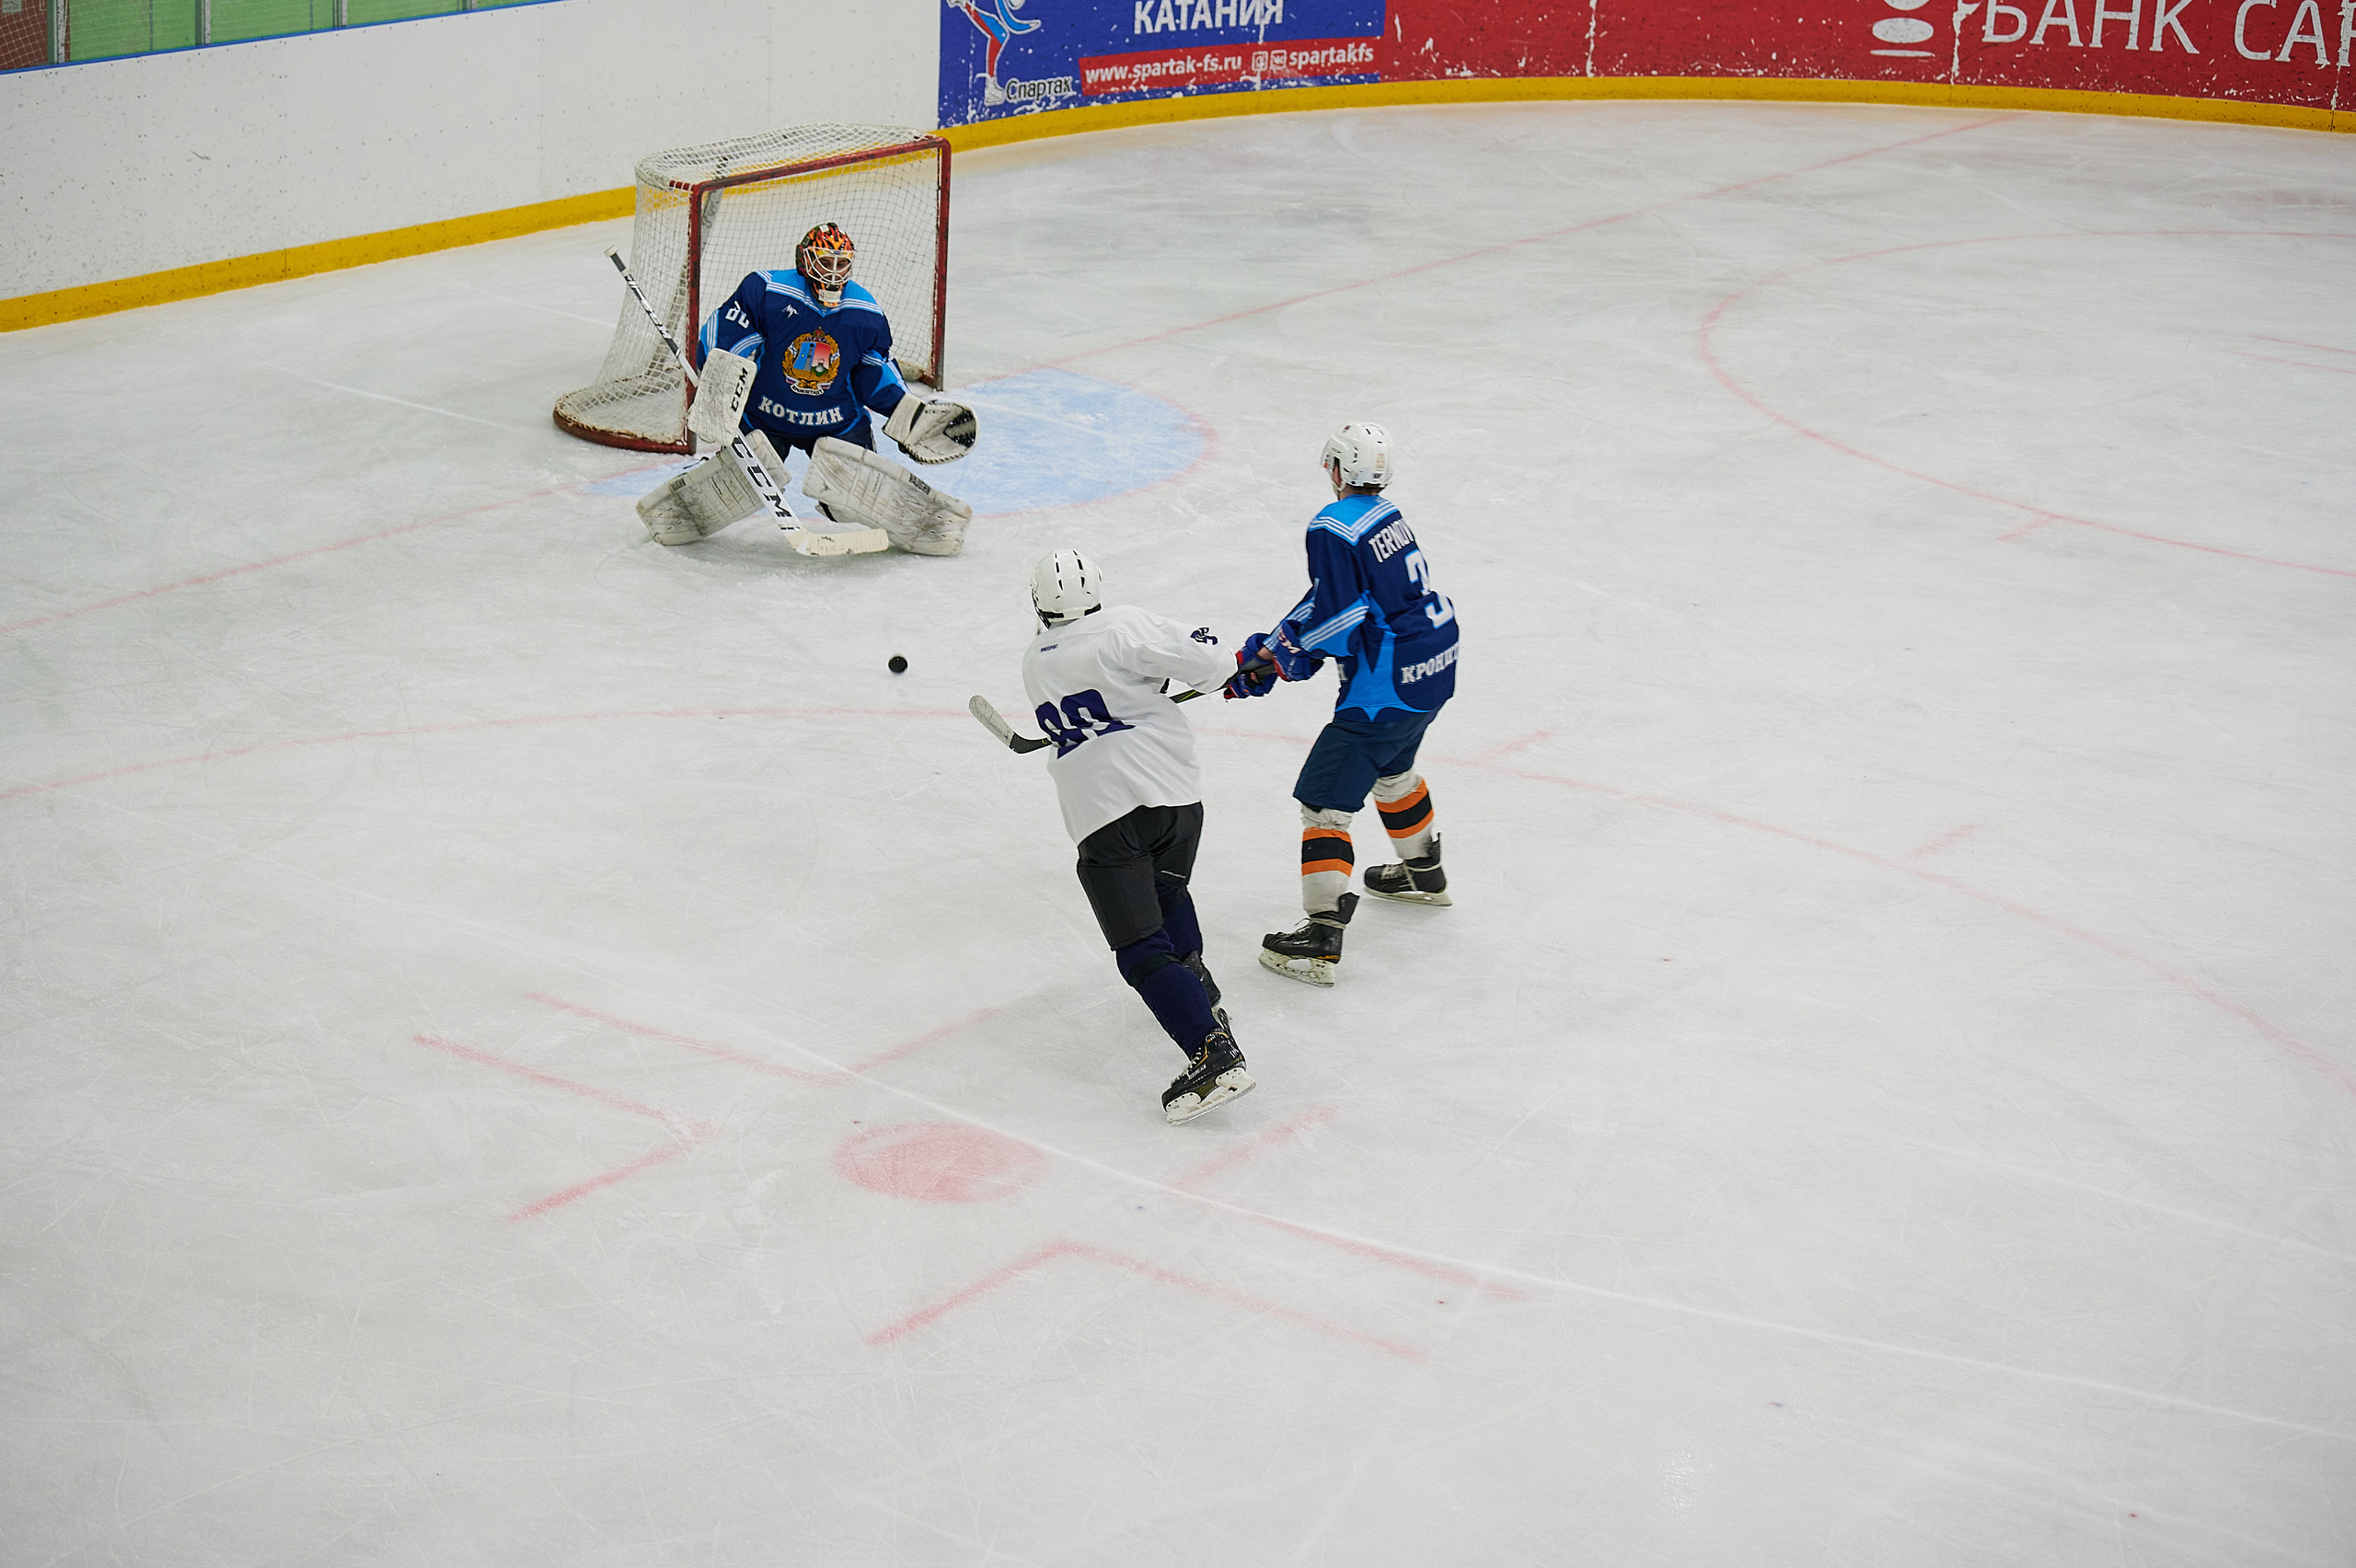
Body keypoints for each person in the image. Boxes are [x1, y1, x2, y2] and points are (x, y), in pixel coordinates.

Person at [1021, 548, 1257, 1124]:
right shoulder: (1123, 625)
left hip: (1104, 813)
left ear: (1038, 603)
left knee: (1139, 949)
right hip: (1175, 799)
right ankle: (1201, 1001)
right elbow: (1211, 661)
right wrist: (1237, 668)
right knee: (1169, 894)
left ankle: (1212, 1052)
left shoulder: (1034, 661)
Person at [1224, 422, 1460, 987]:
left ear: (1336, 467)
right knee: (1394, 768)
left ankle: (1321, 937)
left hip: (1386, 684)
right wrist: (1277, 644)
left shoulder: (1331, 526)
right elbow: (1337, 601)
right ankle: (1423, 874)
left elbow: (1340, 621)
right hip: (1432, 664)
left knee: (1325, 804)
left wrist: (1281, 660)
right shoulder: (1384, 515)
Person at [698, 223, 977, 553]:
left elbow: (873, 372)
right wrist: (721, 384)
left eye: (841, 263)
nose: (832, 272)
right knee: (748, 479)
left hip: (837, 423)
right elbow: (725, 336)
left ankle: (917, 521)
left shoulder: (864, 312)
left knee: (849, 500)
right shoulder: (767, 291)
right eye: (824, 261)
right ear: (805, 259)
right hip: (763, 418)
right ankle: (704, 491)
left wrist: (905, 412)